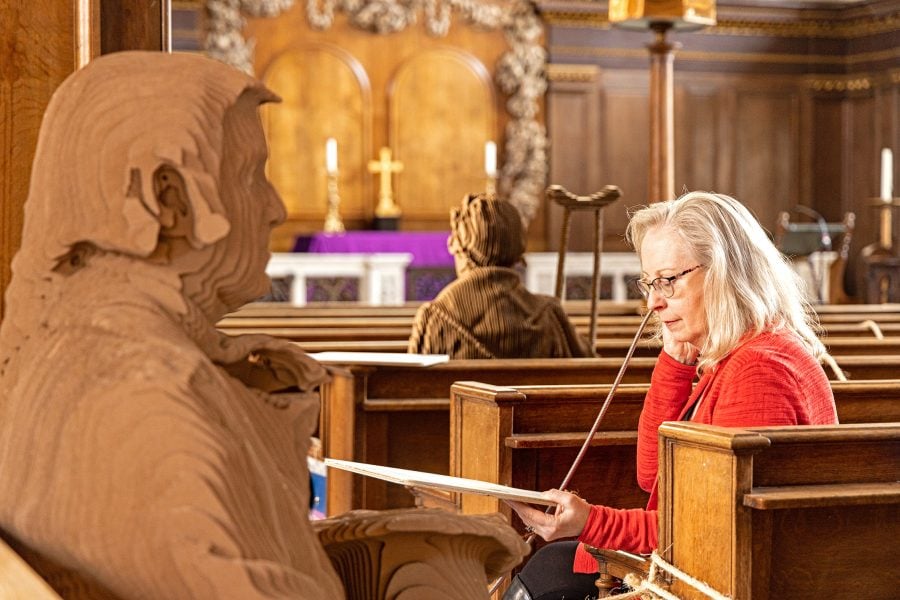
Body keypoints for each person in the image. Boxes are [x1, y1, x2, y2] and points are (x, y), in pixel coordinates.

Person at [0, 51, 346, 598]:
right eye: (251, 176)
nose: (276, 208)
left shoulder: (93, 347)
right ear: (168, 200)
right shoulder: (148, 396)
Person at [502, 191, 839, 600]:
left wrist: (589, 522)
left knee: (550, 572)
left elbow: (711, 531)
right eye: (649, 283)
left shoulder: (759, 371)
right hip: (706, 565)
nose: (653, 303)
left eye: (667, 281)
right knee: (553, 567)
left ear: (724, 272)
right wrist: (675, 361)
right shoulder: (738, 353)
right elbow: (653, 476)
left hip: (723, 579)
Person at [408, 193, 590, 358]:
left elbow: (414, 384)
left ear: (462, 250)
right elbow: (587, 376)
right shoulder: (549, 315)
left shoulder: (435, 318)